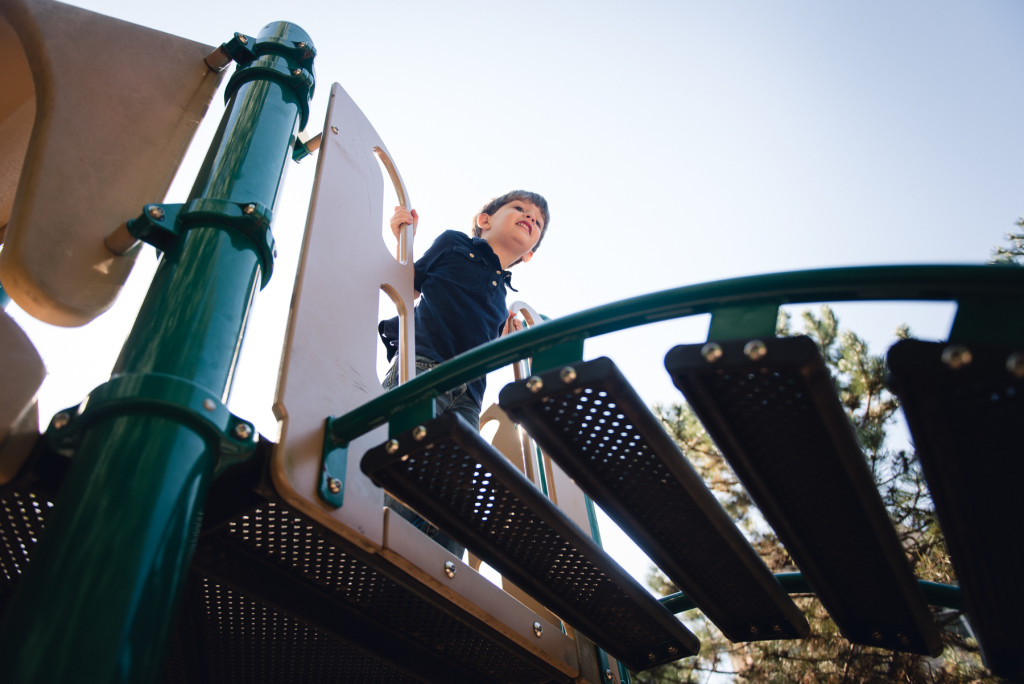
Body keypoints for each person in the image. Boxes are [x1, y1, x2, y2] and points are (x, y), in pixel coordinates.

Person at [378, 190, 550, 555]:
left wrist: (509, 338)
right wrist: (402, 240)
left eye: (537, 222)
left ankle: (438, 570)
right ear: (485, 219)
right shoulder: (455, 245)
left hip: (469, 397)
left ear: (529, 254)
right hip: (425, 367)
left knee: (456, 495)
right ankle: (370, 531)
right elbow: (407, 288)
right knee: (403, 458)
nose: (530, 218)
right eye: (520, 209)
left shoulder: (502, 297)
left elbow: (486, 349)